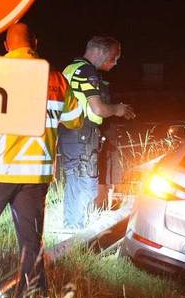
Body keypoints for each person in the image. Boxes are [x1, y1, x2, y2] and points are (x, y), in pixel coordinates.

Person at [0, 22, 82, 296]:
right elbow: (74, 120)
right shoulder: (57, 80)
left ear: (6, 46)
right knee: (31, 244)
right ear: (35, 44)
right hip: (35, 176)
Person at [58, 35, 136, 229]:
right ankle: (77, 230)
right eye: (113, 57)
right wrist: (118, 109)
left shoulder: (71, 68)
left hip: (70, 134)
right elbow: (98, 109)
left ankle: (71, 227)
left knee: (75, 180)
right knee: (85, 182)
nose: (115, 62)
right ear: (99, 51)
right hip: (82, 135)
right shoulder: (86, 71)